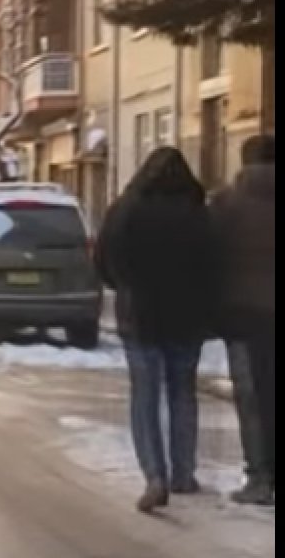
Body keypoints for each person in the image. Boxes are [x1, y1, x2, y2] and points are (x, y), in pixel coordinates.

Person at [95, 147, 216, 513]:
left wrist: (126, 288)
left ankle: (154, 476)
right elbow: (214, 263)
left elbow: (103, 260)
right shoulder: (198, 212)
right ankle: (184, 473)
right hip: (187, 318)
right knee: (183, 393)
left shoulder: (125, 210)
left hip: (140, 317)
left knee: (145, 397)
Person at [210, 134, 275, 505]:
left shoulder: (226, 204)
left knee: (252, 399)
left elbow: (208, 257)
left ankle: (260, 478)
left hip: (244, 316)